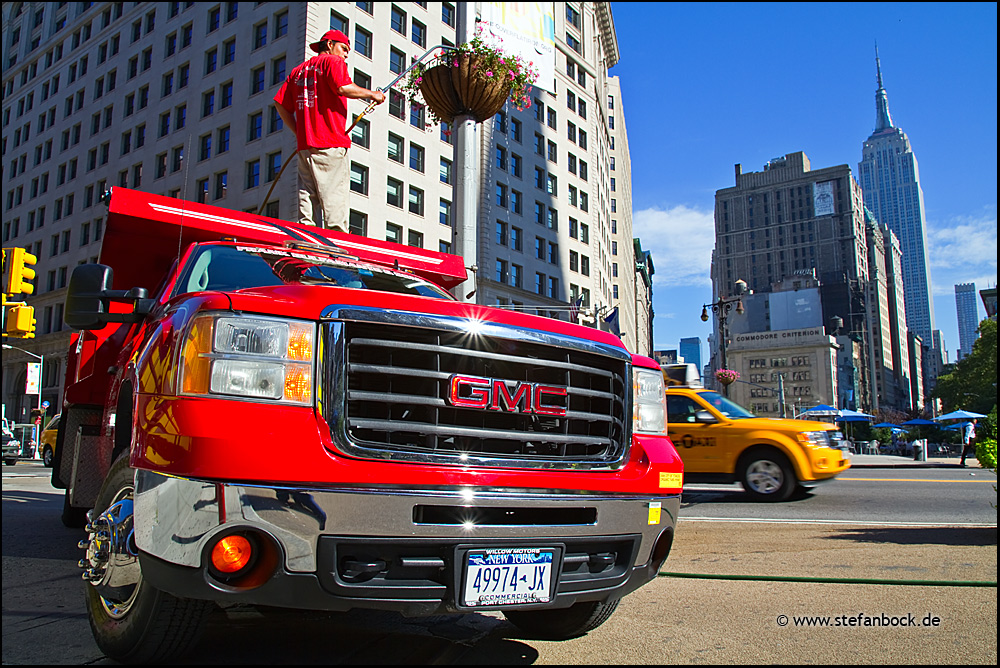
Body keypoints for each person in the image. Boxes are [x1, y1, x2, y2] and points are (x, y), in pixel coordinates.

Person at [273, 30, 385, 231]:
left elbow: (280, 104)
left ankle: (305, 240)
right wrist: (372, 94)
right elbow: (343, 88)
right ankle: (337, 249)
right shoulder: (333, 62)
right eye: (343, 49)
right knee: (334, 205)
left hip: (305, 146)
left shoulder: (298, 71)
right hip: (329, 144)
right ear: (330, 44)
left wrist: (299, 132)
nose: (345, 55)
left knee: (306, 203)